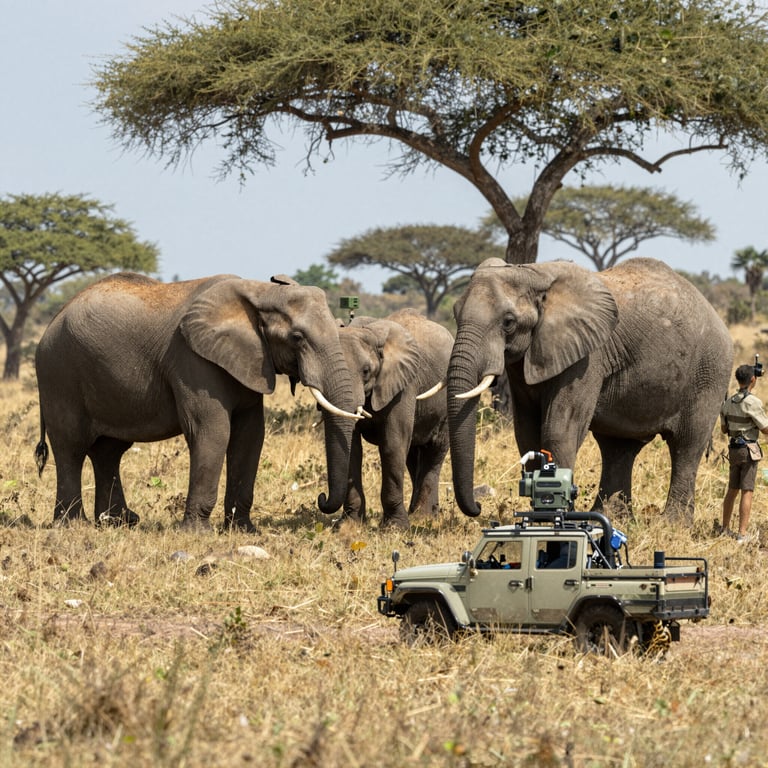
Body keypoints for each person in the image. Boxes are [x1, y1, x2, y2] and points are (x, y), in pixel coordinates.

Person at [720, 363, 768, 542]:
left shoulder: (728, 402)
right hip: (748, 450)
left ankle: (724, 528)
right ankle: (742, 534)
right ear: (753, 380)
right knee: (747, 491)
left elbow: (724, 430)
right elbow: (765, 429)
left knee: (732, 490)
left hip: (733, 450)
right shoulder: (753, 402)